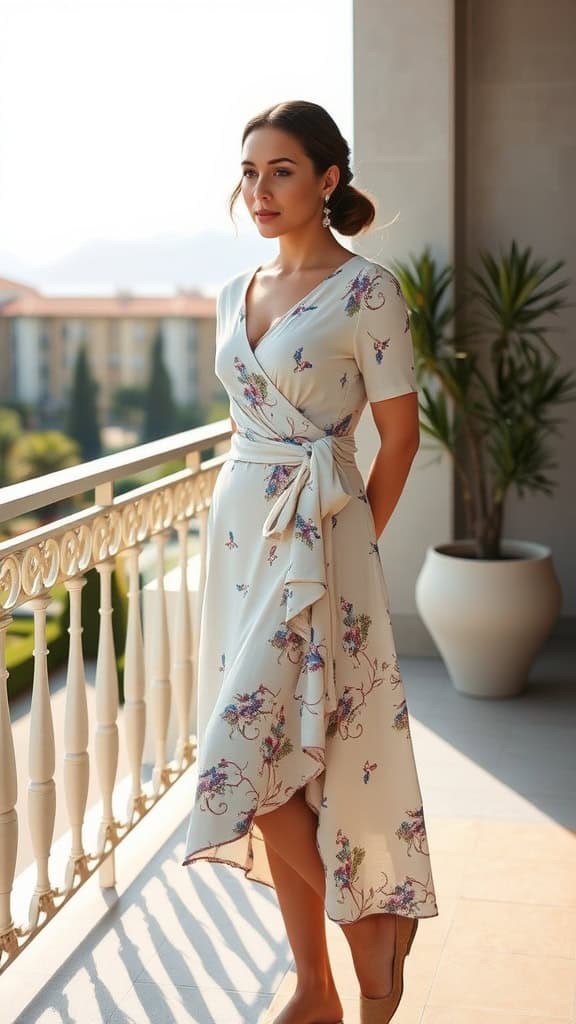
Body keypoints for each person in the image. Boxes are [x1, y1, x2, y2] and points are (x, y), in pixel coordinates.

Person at [183, 100, 438, 1024]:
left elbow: (400, 437)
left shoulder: (367, 290)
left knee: (241, 767)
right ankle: (316, 989)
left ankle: (371, 925)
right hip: (239, 542)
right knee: (279, 765)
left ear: (327, 180)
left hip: (322, 546)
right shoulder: (233, 289)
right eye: (250, 171)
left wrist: (352, 553)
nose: (259, 189)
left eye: (281, 170)